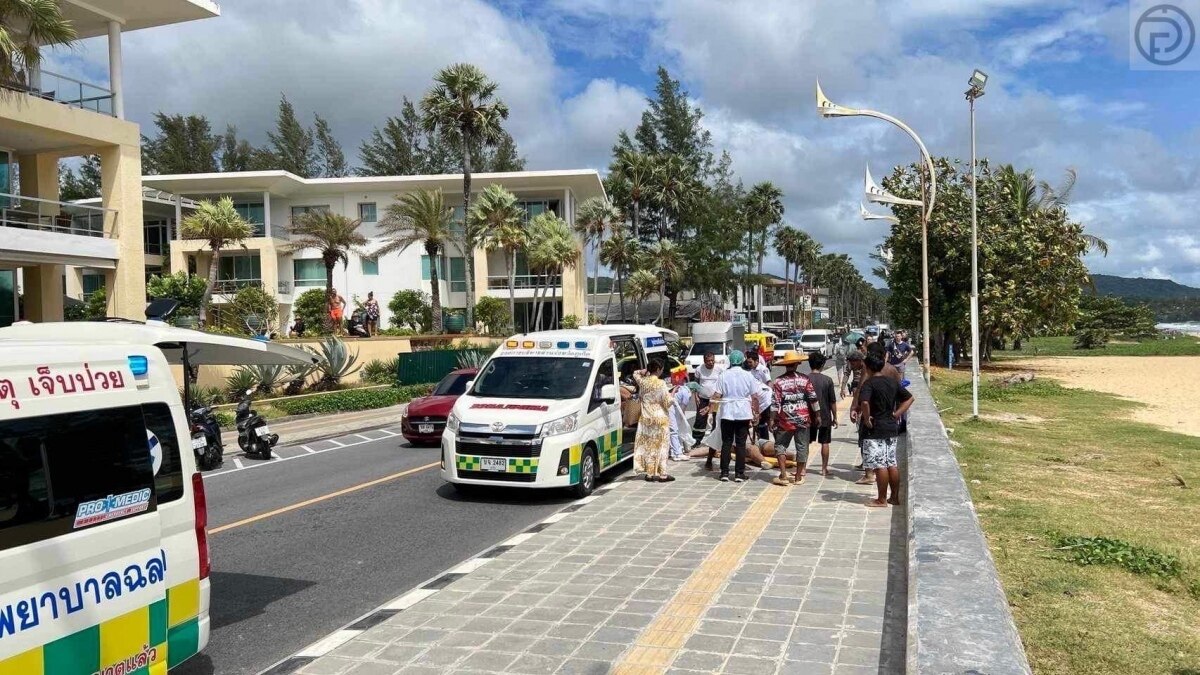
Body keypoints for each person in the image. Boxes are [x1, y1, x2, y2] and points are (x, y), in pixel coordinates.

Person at [858, 354, 915, 507]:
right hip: (891, 426)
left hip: (875, 428)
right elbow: (910, 398)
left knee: (879, 464)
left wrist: (866, 418)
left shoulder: (869, 384)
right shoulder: (892, 382)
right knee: (891, 463)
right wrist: (897, 414)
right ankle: (894, 497)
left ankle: (881, 499)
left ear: (868, 367)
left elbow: (864, 402)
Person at [769, 351, 820, 485]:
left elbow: (775, 403)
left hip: (785, 420)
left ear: (785, 365)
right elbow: (813, 399)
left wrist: (771, 419)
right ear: (797, 364)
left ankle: (784, 475)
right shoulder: (805, 379)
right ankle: (798, 476)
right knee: (802, 447)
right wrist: (818, 415)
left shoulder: (779, 381)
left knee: (780, 445)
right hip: (803, 419)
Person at [713, 349, 759, 482]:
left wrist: (711, 410)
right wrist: (756, 412)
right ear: (742, 360)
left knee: (726, 442)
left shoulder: (723, 375)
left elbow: (717, 395)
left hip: (727, 412)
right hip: (743, 412)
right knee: (740, 443)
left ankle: (724, 473)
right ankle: (739, 473)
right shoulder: (748, 375)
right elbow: (754, 397)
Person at [633, 360, 675, 482]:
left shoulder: (643, 382)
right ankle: (663, 474)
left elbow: (635, 374)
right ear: (658, 369)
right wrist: (673, 393)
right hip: (660, 418)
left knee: (649, 445)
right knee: (662, 446)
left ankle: (650, 473)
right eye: (661, 369)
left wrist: (644, 371)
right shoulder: (661, 383)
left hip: (646, 418)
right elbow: (667, 402)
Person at [806, 352, 838, 477]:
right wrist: (835, 417)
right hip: (825, 415)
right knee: (825, 442)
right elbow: (832, 402)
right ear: (823, 364)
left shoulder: (805, 378)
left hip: (808, 415)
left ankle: (803, 468)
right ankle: (824, 469)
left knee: (806, 442)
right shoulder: (828, 380)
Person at [691, 352, 724, 447]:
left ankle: (713, 442)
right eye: (708, 361)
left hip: (715, 400)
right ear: (704, 361)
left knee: (715, 418)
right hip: (703, 398)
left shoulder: (719, 370)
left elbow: (722, 384)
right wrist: (696, 396)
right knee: (700, 419)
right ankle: (696, 440)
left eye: (712, 360)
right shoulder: (699, 369)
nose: (711, 362)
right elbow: (695, 384)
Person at [668, 383, 695, 461]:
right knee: (674, 430)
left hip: (670, 406)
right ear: (693, 390)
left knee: (672, 430)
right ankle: (677, 454)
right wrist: (682, 419)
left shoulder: (681, 389)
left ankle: (673, 452)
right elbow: (683, 408)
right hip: (670, 406)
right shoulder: (687, 393)